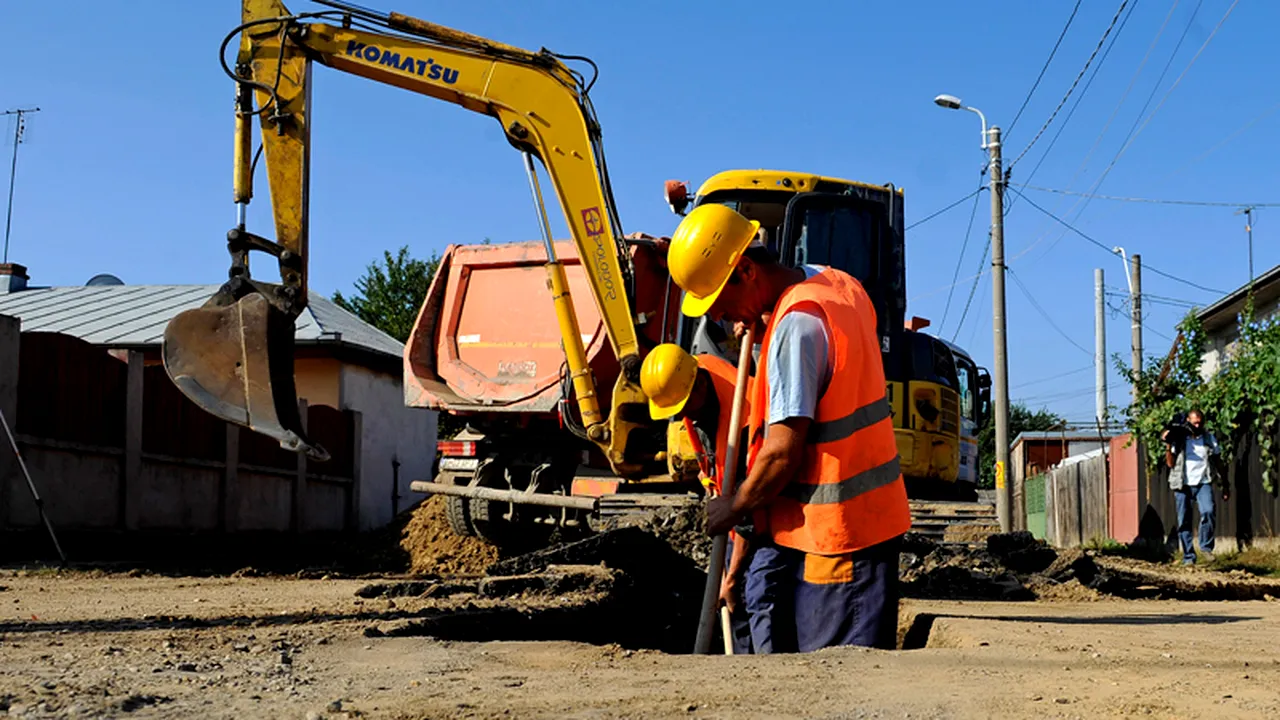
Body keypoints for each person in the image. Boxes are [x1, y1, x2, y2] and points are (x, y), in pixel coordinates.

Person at [664, 202, 912, 652]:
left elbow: (782, 451)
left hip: (837, 537)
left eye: (721, 303)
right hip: (872, 521)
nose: (721, 318)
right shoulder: (838, 285)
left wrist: (733, 506)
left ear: (745, 271)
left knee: (836, 681)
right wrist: (762, 321)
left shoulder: (794, 328)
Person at [641, 343, 757, 654]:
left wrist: (731, 578)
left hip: (766, 524)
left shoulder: (744, 417)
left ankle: (753, 681)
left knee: (750, 599)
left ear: (699, 385)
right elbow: (713, 471)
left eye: (682, 406)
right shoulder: (693, 377)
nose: (681, 415)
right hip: (733, 514)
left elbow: (750, 513)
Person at [1162, 409, 1221, 565]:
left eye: (1200, 422)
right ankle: (1189, 557)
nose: (1197, 424)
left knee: (1208, 511)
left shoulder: (1208, 438)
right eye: (1194, 422)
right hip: (1183, 484)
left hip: (1203, 482)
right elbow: (1170, 463)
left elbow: (1218, 460)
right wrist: (1168, 444)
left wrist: (1225, 483)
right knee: (1184, 521)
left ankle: (1206, 547)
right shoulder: (1180, 439)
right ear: (1188, 421)